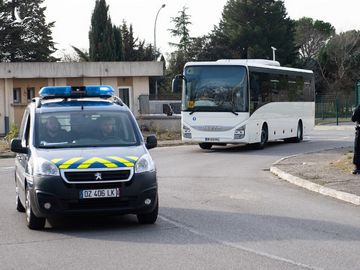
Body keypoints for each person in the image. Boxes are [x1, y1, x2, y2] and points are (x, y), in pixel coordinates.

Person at [351, 105, 360, 174]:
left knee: (357, 148)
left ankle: (358, 168)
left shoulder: (358, 109)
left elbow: (353, 119)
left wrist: (353, 111)